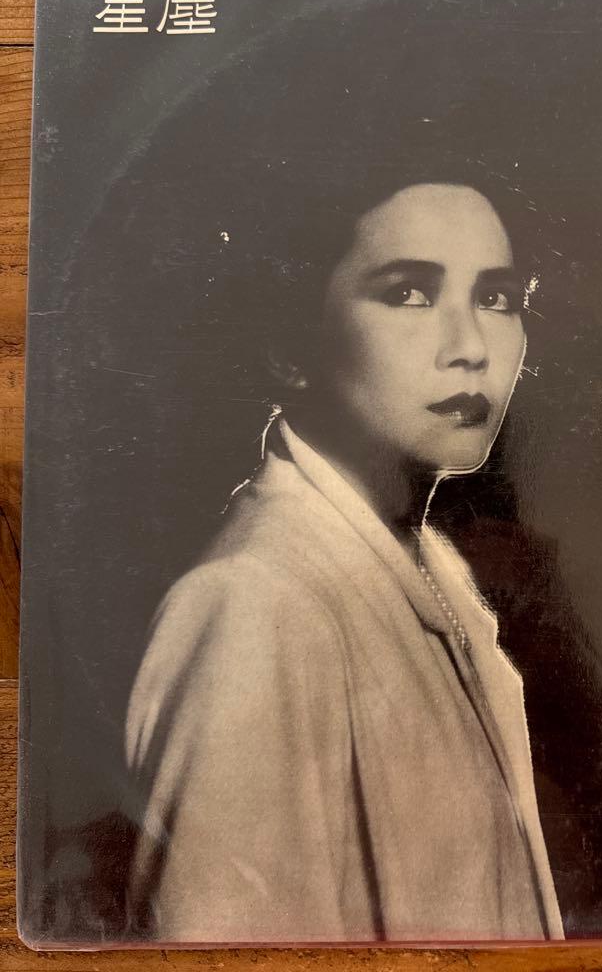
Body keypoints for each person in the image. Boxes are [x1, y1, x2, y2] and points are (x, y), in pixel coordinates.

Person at [124, 180, 564, 944]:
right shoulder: (256, 605)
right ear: (289, 348)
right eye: (409, 293)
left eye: (496, 298)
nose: (471, 347)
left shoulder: (435, 571)